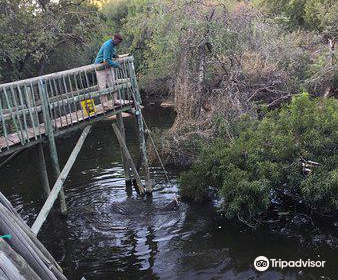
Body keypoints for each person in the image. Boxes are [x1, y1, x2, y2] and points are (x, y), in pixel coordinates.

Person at [94, 34, 123, 109]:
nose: (118, 44)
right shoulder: (108, 45)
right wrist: (117, 65)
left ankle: (115, 101)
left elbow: (108, 54)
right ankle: (105, 104)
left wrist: (114, 55)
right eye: (118, 42)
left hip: (107, 66)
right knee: (102, 86)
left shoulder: (113, 45)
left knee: (112, 83)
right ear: (115, 39)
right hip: (100, 67)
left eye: (120, 42)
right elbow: (106, 60)